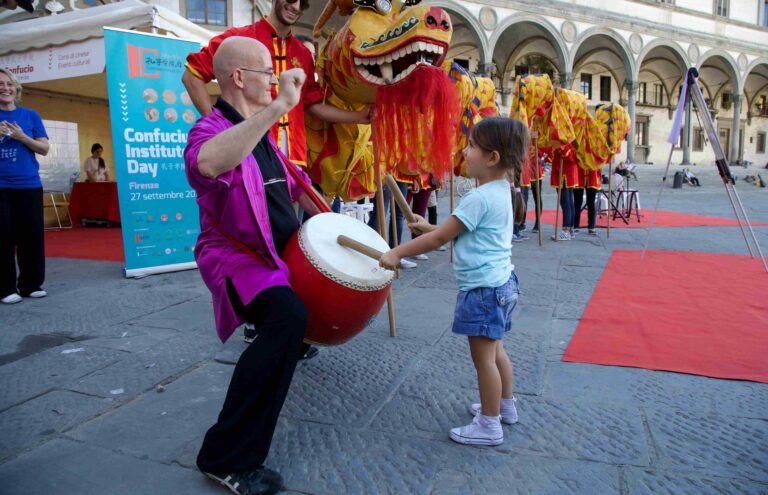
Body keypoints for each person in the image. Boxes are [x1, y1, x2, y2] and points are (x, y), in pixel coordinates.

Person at [184, 36, 323, 495]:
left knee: (289, 325)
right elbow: (206, 163)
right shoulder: (210, 129)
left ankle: (242, 433)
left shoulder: (266, 135)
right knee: (287, 318)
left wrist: (343, 235)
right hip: (234, 258)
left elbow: (297, 189)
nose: (276, 79)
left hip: (275, 257)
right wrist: (279, 106)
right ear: (240, 78)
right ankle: (226, 457)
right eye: (268, 72)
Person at [379, 117, 527, 446]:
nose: (464, 150)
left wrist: (397, 253)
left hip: (484, 291)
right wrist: (428, 227)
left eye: (472, 145)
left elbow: (439, 240)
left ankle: (489, 424)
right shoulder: (501, 190)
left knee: (484, 360)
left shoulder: (478, 197)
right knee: (498, 351)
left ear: (492, 158)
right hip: (502, 285)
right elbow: (456, 233)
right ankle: (505, 407)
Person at [182, 0, 369, 168]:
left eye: (302, 3)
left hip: (292, 162)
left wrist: (359, 116)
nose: (295, 7)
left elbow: (312, 105)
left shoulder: (302, 54)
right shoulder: (239, 39)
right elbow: (192, 77)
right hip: (249, 158)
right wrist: (220, 128)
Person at [0, 68, 50, 305]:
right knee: (3, 236)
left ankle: (31, 284)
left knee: (31, 235)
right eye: (0, 84)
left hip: (29, 185)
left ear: (16, 88)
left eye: (9, 84)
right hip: (1, 186)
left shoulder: (30, 116)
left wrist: (22, 137)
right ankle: (5, 288)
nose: (5, 88)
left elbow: (44, 148)